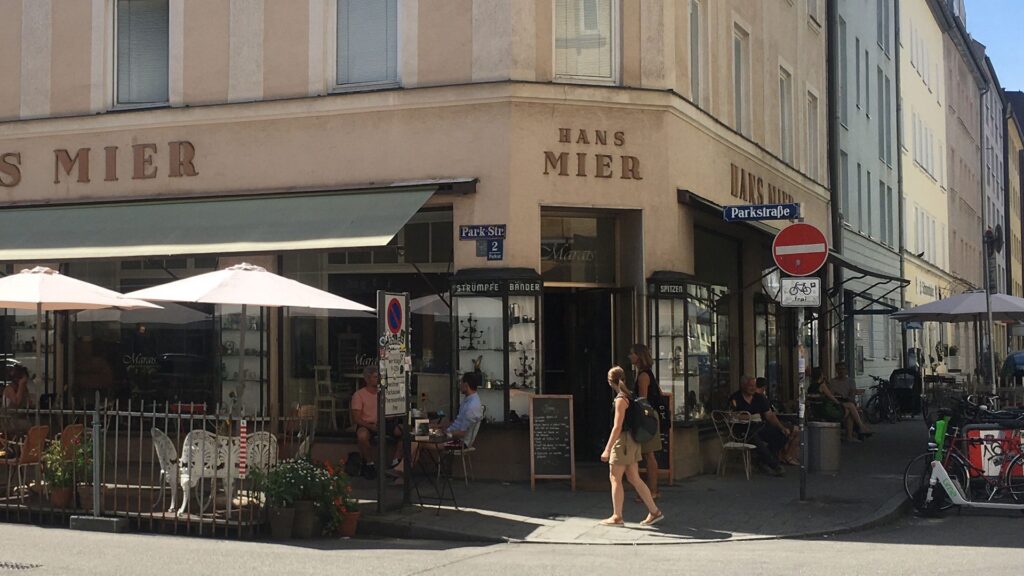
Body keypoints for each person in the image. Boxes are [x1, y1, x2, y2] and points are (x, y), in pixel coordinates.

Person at [389, 372, 484, 484]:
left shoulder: (471, 407)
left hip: (456, 441)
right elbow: (459, 423)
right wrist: (439, 426)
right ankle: (401, 472)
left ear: (466, 385)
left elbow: (462, 434)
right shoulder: (469, 400)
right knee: (417, 433)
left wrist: (443, 432)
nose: (459, 385)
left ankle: (400, 470)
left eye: (460, 383)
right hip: (450, 434)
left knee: (417, 439)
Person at [599, 366, 663, 527]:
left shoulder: (620, 399)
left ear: (609, 381)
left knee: (615, 478)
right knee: (634, 477)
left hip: (623, 442)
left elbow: (617, 427)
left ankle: (617, 516)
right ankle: (654, 511)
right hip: (633, 441)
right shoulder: (630, 396)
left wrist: (607, 448)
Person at [729, 374, 796, 477]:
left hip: (759, 426)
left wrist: (781, 428)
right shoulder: (735, 398)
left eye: (754, 385)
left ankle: (762, 461)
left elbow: (769, 415)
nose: (753, 388)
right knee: (755, 438)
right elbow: (731, 415)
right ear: (743, 385)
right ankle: (774, 465)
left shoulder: (759, 398)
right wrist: (749, 417)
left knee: (781, 435)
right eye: (750, 386)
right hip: (743, 429)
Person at [351, 365, 403, 478]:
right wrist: (371, 427)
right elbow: (356, 418)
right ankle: (369, 463)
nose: (378, 379)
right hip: (367, 424)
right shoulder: (359, 395)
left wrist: (390, 416)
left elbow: (393, 410)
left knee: (404, 432)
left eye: (379, 376)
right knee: (362, 436)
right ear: (367, 379)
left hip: (385, 423)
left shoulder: (385, 393)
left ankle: (396, 461)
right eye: (375, 377)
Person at [629, 343, 663, 501]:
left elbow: (642, 400)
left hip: (646, 416)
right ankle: (650, 489)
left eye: (632, 354)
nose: (630, 356)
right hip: (649, 415)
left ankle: (652, 490)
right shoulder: (646, 374)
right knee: (647, 453)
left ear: (639, 356)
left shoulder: (643, 376)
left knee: (649, 454)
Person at [828, 362, 872, 442]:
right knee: (851, 407)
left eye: (843, 369)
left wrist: (852, 393)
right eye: (839, 369)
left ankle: (850, 435)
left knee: (850, 409)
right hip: (837, 402)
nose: (841, 371)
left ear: (846, 371)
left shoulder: (850, 381)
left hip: (847, 401)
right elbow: (830, 395)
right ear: (836, 370)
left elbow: (852, 397)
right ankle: (861, 428)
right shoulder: (832, 382)